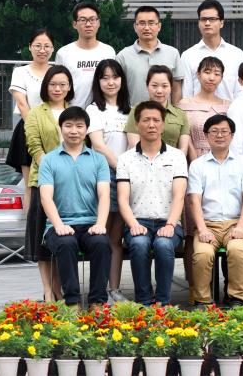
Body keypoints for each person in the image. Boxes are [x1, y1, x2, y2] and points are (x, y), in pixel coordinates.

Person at [114, 101, 187, 306]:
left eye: (156, 120)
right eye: (146, 120)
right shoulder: (126, 159)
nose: (151, 125)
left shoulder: (177, 156)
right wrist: (133, 224)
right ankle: (144, 302)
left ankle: (163, 303)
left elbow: (179, 196)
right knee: (139, 243)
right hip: (138, 221)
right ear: (137, 124)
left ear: (163, 124)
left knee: (163, 245)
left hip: (169, 221)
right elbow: (122, 198)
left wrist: (170, 224)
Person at [38, 106, 112, 305]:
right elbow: (46, 197)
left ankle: (97, 302)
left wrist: (100, 224)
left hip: (90, 224)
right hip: (58, 225)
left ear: (86, 129)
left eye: (79, 126)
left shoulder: (99, 160)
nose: (74, 131)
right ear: (60, 128)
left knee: (102, 243)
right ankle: (72, 303)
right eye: (68, 125)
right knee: (66, 243)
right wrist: (59, 225)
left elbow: (104, 195)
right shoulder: (48, 160)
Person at [187, 115, 243, 307]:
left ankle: (237, 298)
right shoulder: (197, 165)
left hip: (236, 223)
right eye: (214, 131)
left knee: (237, 250)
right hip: (207, 225)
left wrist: (241, 227)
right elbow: (194, 200)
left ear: (232, 135)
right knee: (202, 254)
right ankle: (202, 301)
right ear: (206, 135)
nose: (220, 135)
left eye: (224, 131)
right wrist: (202, 229)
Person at [22, 64, 74, 300]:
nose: (58, 88)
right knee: (42, 241)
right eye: (53, 84)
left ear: (69, 87)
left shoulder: (75, 112)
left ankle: (60, 289)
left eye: (62, 84)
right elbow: (34, 147)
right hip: (42, 181)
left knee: (64, 238)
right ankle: (47, 290)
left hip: (69, 184)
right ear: (46, 86)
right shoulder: (36, 113)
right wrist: (53, 169)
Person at [182, 0, 243, 102]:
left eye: (212, 19)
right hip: (198, 111)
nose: (207, 23)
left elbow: (240, 91)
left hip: (229, 110)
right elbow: (187, 93)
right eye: (203, 19)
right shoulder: (188, 55)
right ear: (199, 23)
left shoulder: (237, 54)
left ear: (221, 23)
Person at [118, 6, 182, 105]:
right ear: (135, 27)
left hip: (164, 113)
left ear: (159, 26)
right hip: (134, 113)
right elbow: (119, 89)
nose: (147, 28)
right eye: (142, 23)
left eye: (151, 23)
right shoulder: (123, 56)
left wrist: (175, 112)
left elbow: (176, 88)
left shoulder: (173, 53)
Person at [125, 66, 196, 156]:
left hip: (173, 162)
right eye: (154, 86)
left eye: (164, 86)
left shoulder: (180, 114)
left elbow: (183, 149)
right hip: (143, 162)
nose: (159, 91)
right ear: (147, 85)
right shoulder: (137, 110)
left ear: (171, 87)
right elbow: (134, 145)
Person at [57, 3, 115, 108]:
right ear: (74, 24)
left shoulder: (108, 52)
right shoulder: (63, 53)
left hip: (102, 111)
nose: (88, 24)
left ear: (98, 23)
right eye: (83, 20)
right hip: (72, 112)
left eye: (92, 19)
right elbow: (58, 85)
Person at [178, 57, 233, 154]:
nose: (211, 78)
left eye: (217, 74)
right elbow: (184, 135)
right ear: (198, 75)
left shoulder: (229, 106)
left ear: (221, 78)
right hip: (192, 156)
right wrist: (194, 159)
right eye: (207, 72)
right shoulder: (185, 104)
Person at [86, 60, 132, 168]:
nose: (111, 83)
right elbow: (98, 146)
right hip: (103, 170)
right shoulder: (93, 110)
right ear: (98, 81)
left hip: (128, 169)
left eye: (115, 77)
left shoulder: (131, 110)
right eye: (105, 78)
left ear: (122, 80)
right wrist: (120, 168)